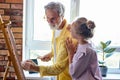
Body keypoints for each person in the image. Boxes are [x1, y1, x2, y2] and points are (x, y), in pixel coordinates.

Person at [21, 1, 77, 80]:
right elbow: (60, 50)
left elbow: (58, 68)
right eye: (47, 17)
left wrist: (34, 68)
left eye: (53, 18)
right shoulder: (56, 28)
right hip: (56, 77)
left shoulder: (69, 37)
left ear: (62, 16)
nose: (49, 22)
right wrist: (51, 54)